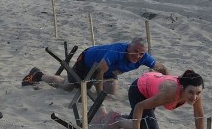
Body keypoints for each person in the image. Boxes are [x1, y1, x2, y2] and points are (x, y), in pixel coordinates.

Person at [22, 37, 168, 96]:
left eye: (141, 53)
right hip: (88, 62)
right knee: (67, 86)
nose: (138, 56)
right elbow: (99, 71)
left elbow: (160, 67)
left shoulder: (143, 57)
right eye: (135, 51)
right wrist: (98, 95)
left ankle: (90, 87)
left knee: (111, 92)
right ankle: (38, 75)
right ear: (129, 47)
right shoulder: (117, 51)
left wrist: (170, 81)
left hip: (109, 71)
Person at [91, 70, 205, 129]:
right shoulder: (170, 93)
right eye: (190, 92)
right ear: (183, 88)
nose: (194, 97)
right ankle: (117, 119)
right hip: (139, 89)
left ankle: (109, 116)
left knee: (140, 121)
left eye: (198, 93)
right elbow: (139, 106)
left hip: (152, 85)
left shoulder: (196, 94)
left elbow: (199, 114)